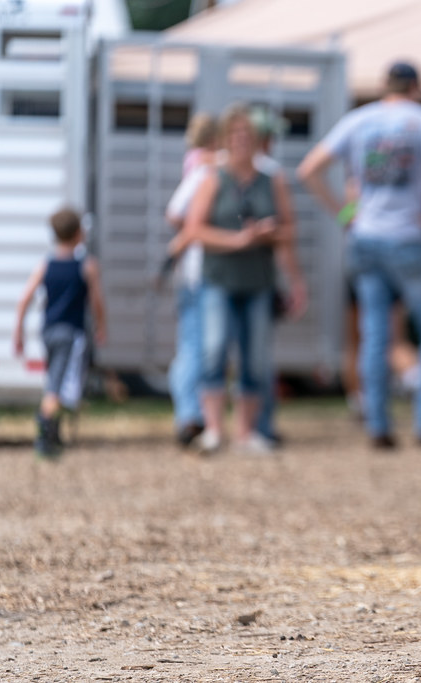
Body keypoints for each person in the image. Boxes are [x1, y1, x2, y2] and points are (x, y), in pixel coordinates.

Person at [297, 60, 421, 450]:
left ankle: (378, 425)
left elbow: (309, 168)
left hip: (365, 238)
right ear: (417, 87)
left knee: (374, 335)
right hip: (408, 237)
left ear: (384, 85)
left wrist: (344, 213)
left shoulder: (360, 120)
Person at [184, 103, 303, 454]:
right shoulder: (211, 178)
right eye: (234, 135)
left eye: (247, 135)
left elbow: (289, 231)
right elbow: (193, 229)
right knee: (214, 350)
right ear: (224, 139)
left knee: (256, 357)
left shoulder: (273, 180)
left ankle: (247, 433)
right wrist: (237, 240)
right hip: (218, 277)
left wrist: (289, 269)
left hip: (259, 280)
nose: (240, 141)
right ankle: (213, 430)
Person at [13, 207, 107, 459]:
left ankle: (52, 432)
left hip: (48, 332)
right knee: (62, 385)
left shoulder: (46, 264)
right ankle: (45, 430)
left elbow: (24, 300)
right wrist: (101, 326)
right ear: (79, 233)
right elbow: (97, 301)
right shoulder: (86, 265)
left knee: (56, 379)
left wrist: (18, 334)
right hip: (72, 333)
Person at [249, 105, 307, 444]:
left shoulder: (215, 169)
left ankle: (201, 423)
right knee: (258, 356)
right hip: (258, 278)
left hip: (214, 277)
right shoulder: (272, 175)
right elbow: (287, 235)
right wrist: (296, 280)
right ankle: (261, 426)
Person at [165, 112, 219, 448]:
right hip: (200, 271)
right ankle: (188, 416)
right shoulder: (207, 167)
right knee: (196, 349)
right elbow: (176, 213)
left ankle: (190, 414)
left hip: (189, 270)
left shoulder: (195, 161)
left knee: (190, 347)